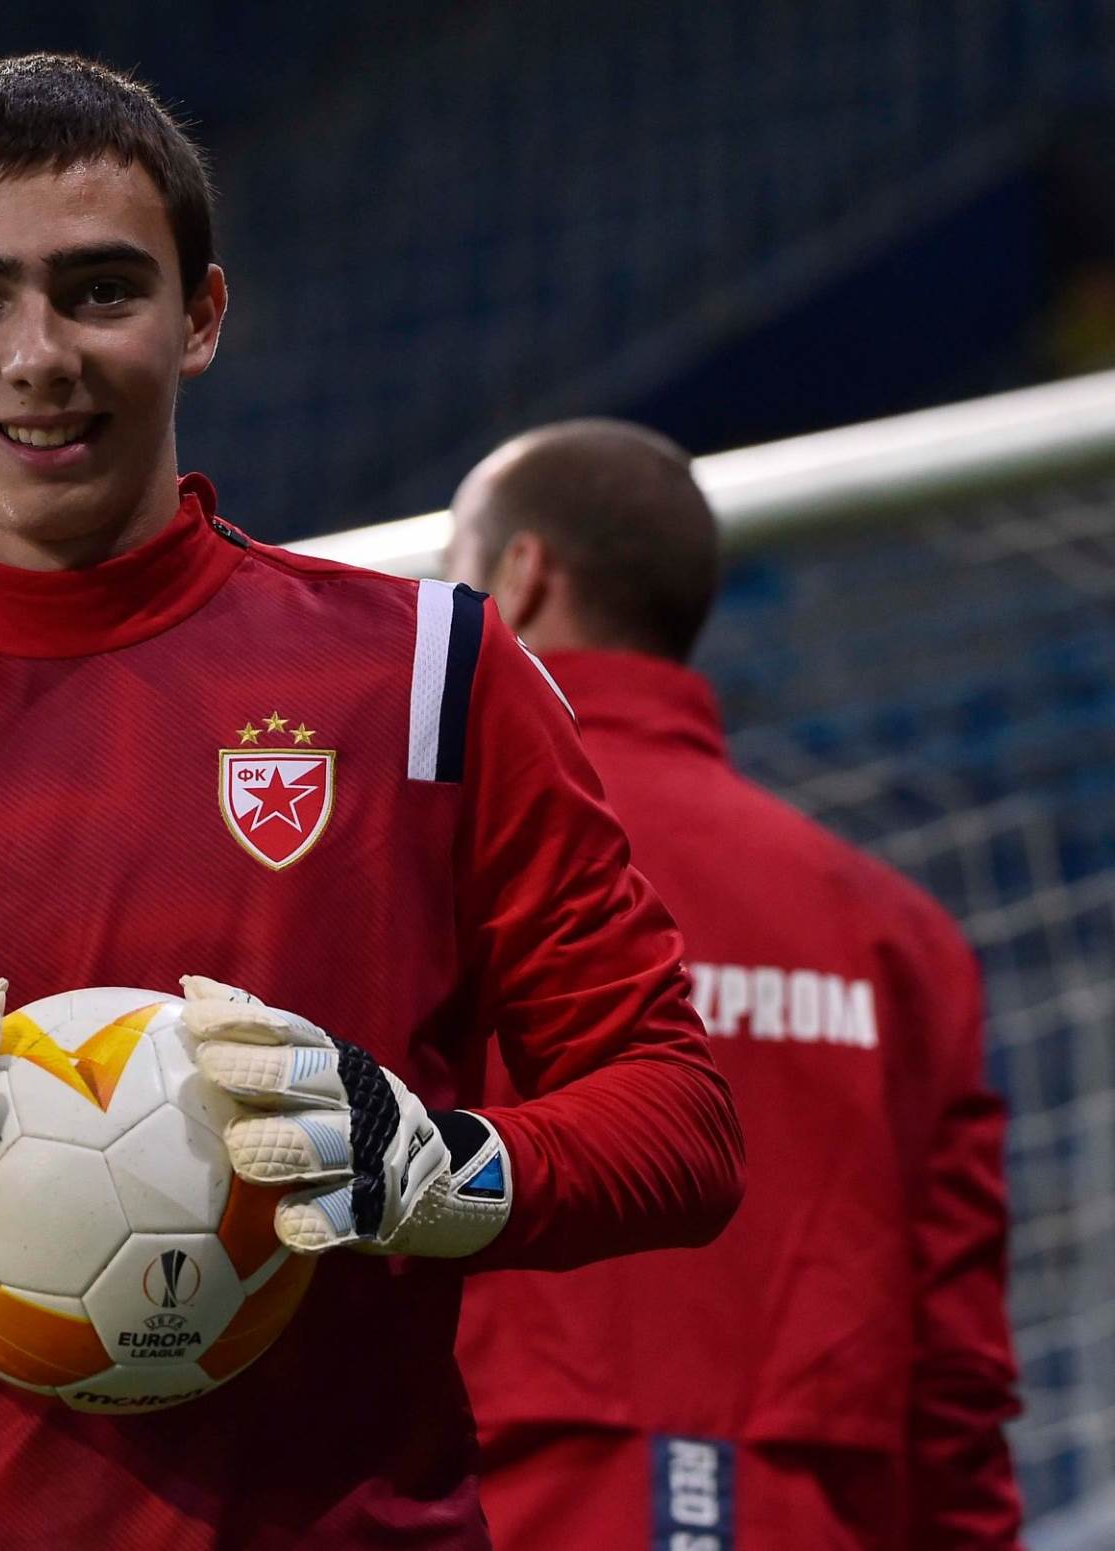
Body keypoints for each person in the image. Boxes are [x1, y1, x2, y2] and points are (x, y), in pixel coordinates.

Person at [0, 58, 744, 1550]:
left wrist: (446, 1166)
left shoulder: (436, 678)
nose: (36, 354)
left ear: (203, 317)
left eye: (99, 289)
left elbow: (682, 1121)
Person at [446, 419, 1023, 1550]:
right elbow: (958, 1367)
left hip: (491, 1510)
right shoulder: (899, 935)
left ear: (519, 580)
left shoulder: (421, 865)